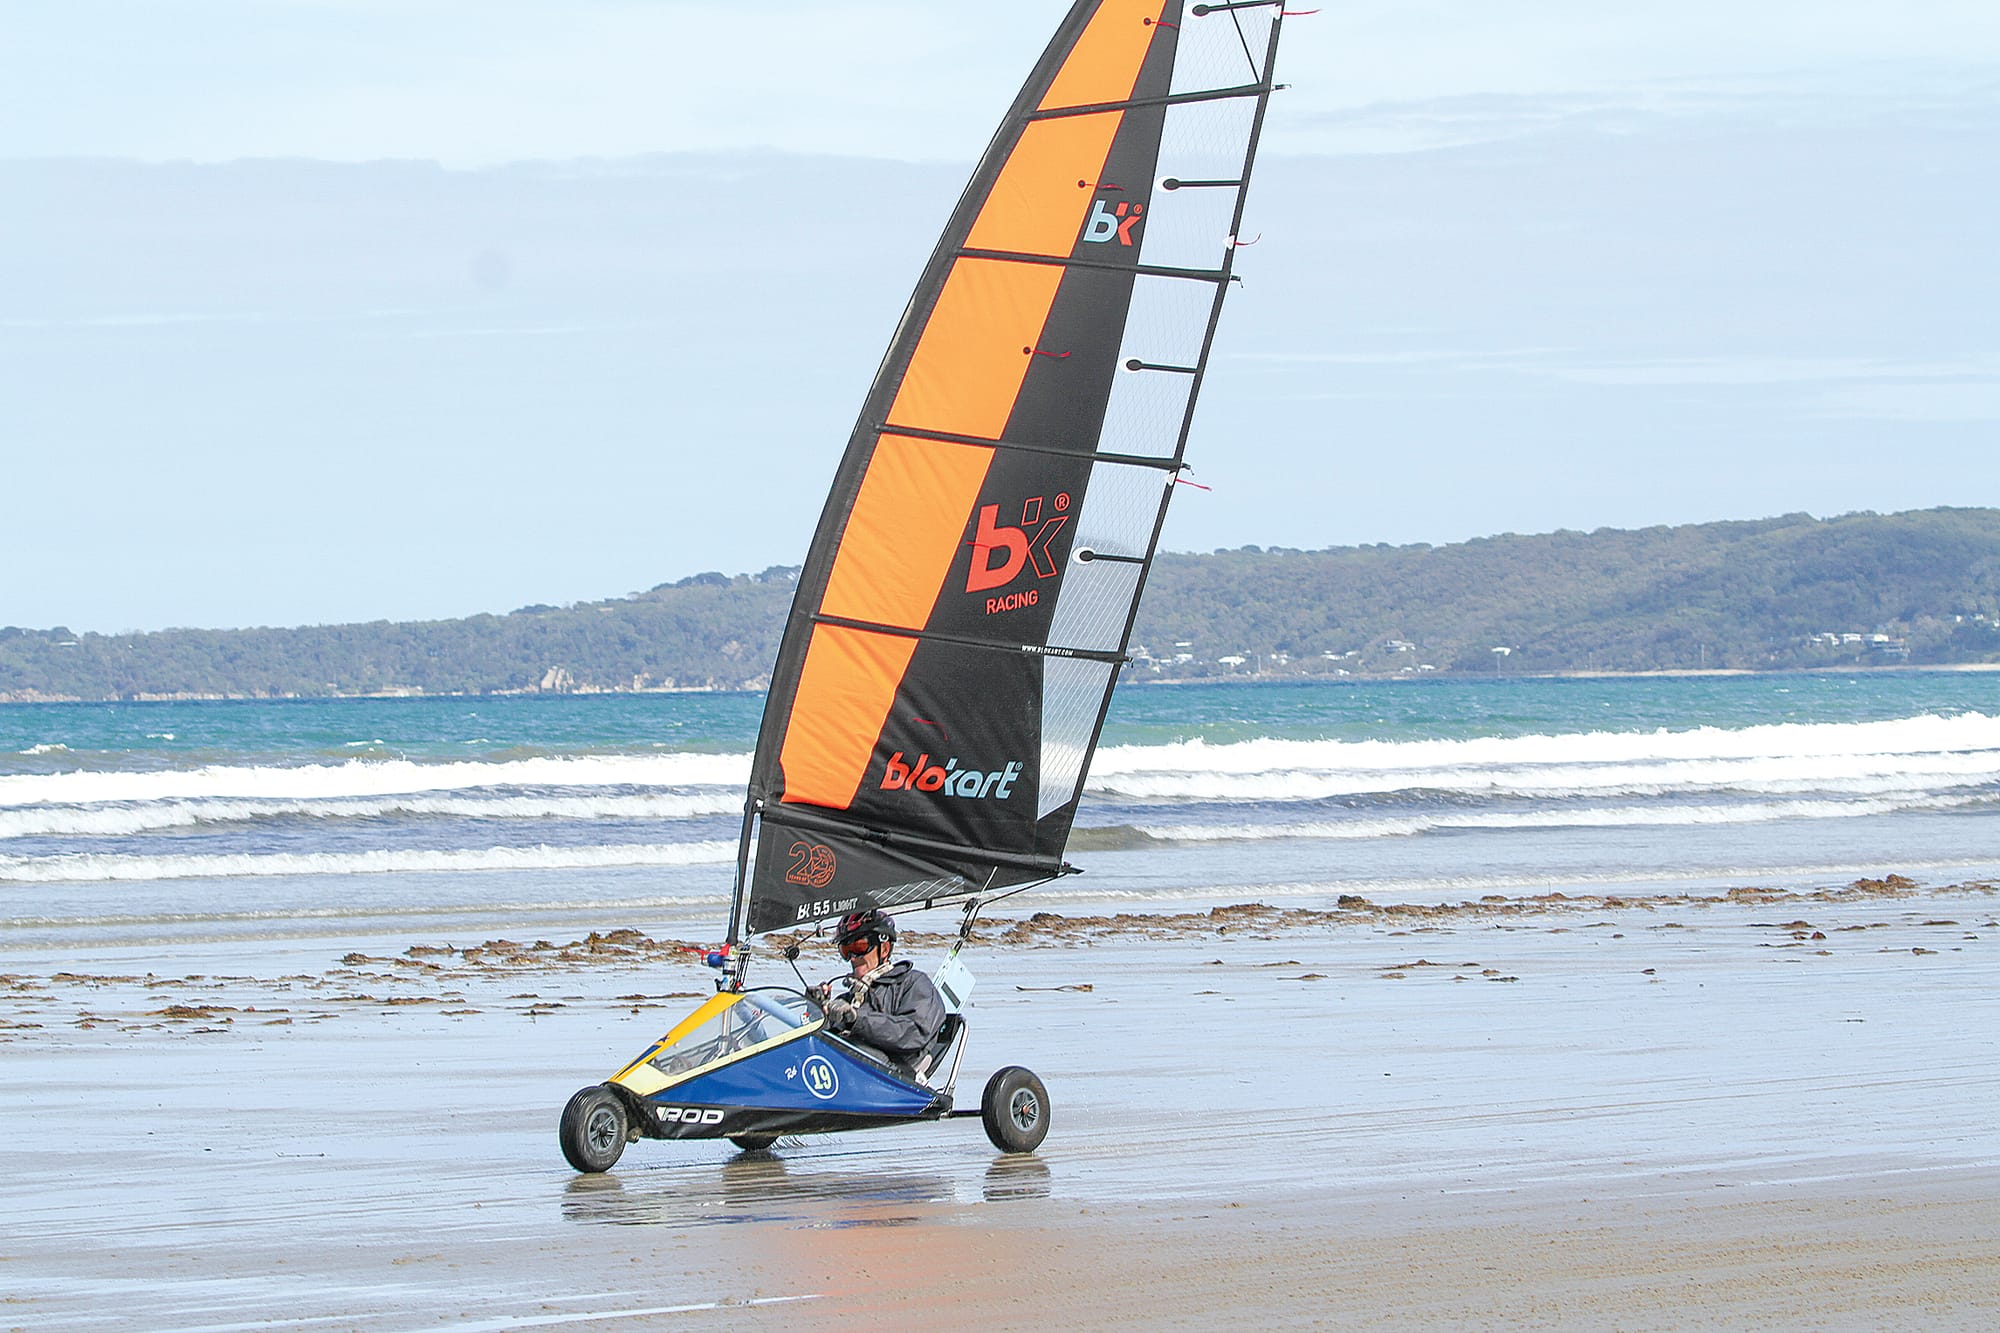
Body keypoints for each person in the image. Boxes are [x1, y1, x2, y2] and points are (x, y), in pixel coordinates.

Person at [815, 908, 945, 1070]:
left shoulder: (914, 983)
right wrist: (817, 1010)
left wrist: (857, 1019)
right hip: (845, 1071)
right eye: (846, 951)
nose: (853, 958)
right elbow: (823, 1043)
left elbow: (913, 1034)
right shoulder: (848, 998)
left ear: (884, 949)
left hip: (891, 1077)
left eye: (859, 947)